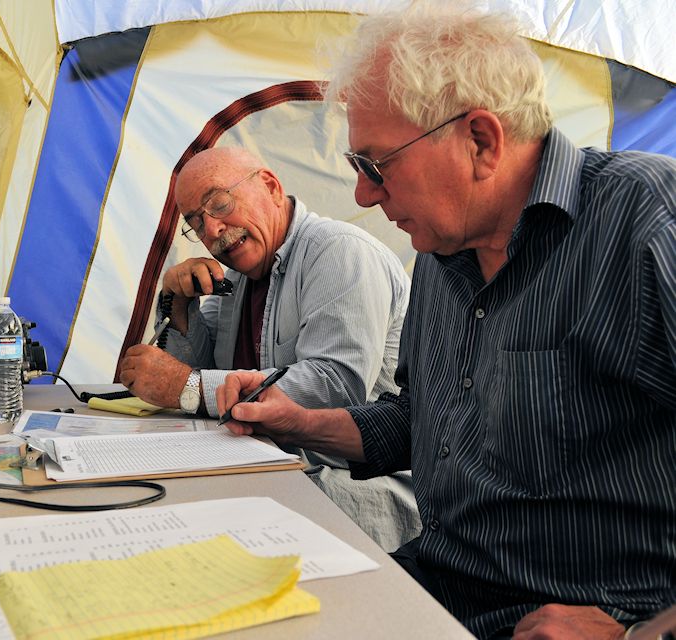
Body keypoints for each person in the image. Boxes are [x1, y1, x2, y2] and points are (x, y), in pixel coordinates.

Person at [215, 7, 676, 640]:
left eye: (376, 165)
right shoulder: (440, 253)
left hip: (582, 616)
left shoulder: (648, 221)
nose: (363, 196)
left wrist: (643, 634)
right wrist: (299, 423)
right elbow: (423, 422)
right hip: (431, 587)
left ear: (480, 141)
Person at [119, 147, 417, 550]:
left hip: (348, 485)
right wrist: (178, 302)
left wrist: (188, 387)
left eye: (219, 204)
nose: (212, 230)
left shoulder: (339, 252)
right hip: (266, 472)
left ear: (271, 187)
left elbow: (335, 388)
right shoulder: (240, 277)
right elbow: (196, 377)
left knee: (171, 529)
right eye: (196, 222)